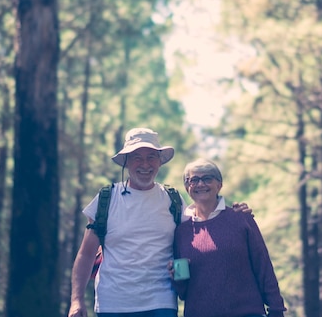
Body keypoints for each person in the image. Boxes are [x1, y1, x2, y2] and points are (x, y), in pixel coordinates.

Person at [68, 128, 250, 317]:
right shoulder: (107, 199)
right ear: (126, 162)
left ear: (160, 162)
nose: (145, 164)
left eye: (152, 157)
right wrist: (76, 300)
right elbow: (86, 254)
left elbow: (204, 224)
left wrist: (234, 214)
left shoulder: (172, 199)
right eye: (137, 157)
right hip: (113, 304)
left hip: (161, 303)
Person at [171, 158, 286, 317]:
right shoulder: (181, 232)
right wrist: (177, 278)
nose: (200, 184)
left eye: (207, 178)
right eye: (194, 180)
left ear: (219, 185)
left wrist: (276, 310)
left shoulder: (241, 219)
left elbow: (263, 266)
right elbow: (183, 293)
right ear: (186, 187)